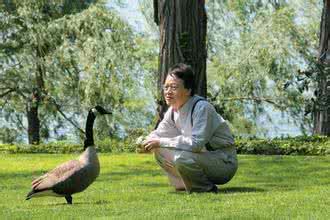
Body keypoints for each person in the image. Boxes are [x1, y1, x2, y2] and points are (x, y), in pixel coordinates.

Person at [142, 63, 238, 193]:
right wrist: (146, 141)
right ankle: (183, 184)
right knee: (158, 149)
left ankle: (204, 188)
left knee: (181, 157)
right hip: (202, 157)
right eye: (166, 87)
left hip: (223, 162)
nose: (168, 92)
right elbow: (159, 134)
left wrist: (160, 141)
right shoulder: (172, 111)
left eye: (174, 87)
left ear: (188, 90)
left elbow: (196, 144)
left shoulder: (202, 108)